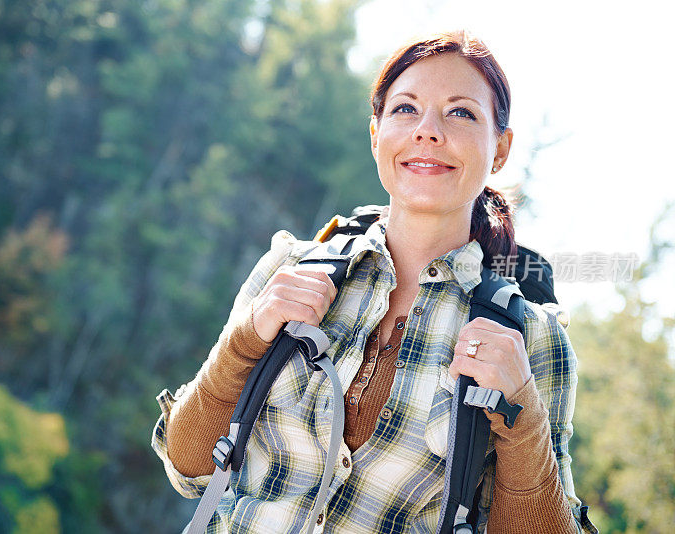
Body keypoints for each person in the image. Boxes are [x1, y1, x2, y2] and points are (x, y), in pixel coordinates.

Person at [152, 30, 596, 533]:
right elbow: (188, 467)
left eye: (461, 113)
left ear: (500, 150)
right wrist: (244, 343)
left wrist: (523, 420)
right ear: (375, 134)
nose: (427, 131)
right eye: (406, 109)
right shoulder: (290, 267)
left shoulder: (532, 339)